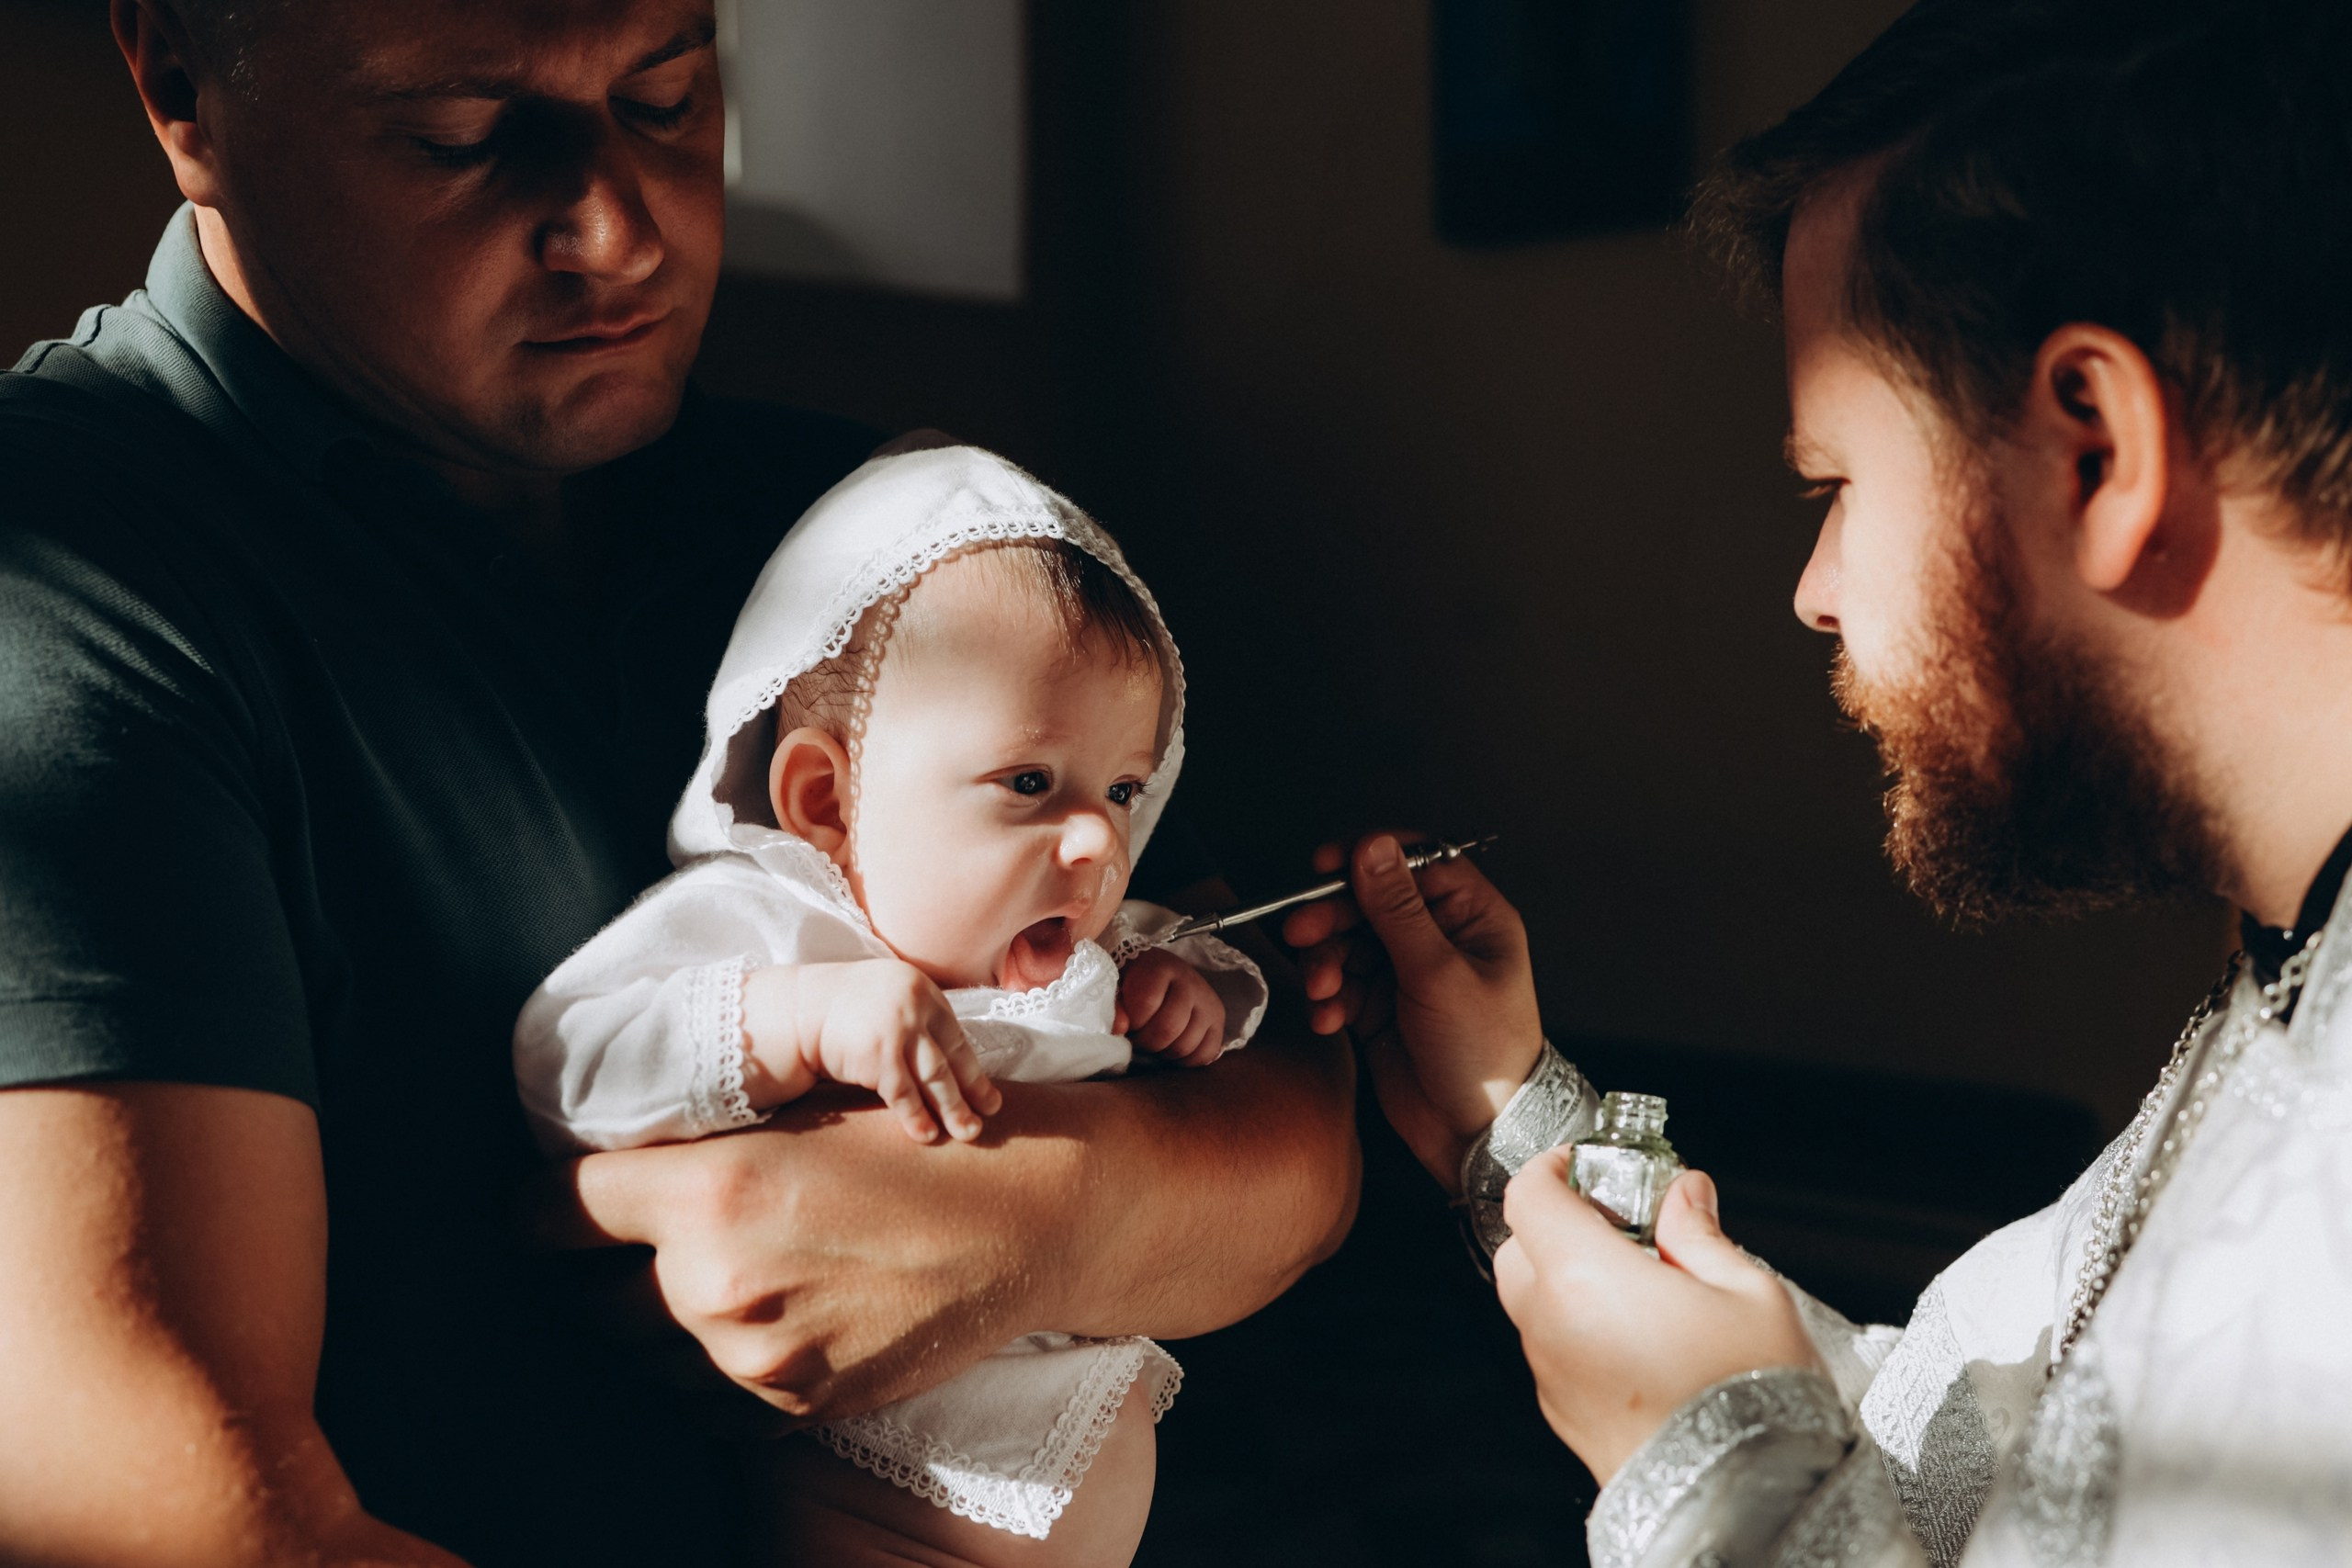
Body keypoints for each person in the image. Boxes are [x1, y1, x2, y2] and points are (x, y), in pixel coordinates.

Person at [0, 3, 1356, 1563]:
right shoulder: (67, 578)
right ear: (180, 89)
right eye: (460, 135)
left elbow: (1296, 1135)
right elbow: (172, 1500)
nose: (617, 230)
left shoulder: (882, 541)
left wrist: (1036, 1226)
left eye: (665, 99)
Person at [1288, 0, 2352, 1562]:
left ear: (2096, 455)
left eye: (1839, 485)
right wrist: (1512, 1112)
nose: (1815, 590)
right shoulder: (2290, 988)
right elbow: (1942, 1466)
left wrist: (1701, 1467)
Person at [514, 443, 1269, 1562]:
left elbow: (1220, 976)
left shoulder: (1088, 950)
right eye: (1029, 783)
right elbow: (568, 1057)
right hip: (867, 1495)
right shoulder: (781, 924)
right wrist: (798, 1021)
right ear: (826, 799)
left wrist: (1185, 995)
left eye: (1123, 788)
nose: (1100, 838)